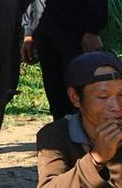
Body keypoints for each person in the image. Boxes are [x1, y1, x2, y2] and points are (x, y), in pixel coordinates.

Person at [36, 51, 122, 186]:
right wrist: (96, 158)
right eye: (103, 97)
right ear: (75, 97)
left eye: (121, 94)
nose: (116, 106)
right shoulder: (55, 135)